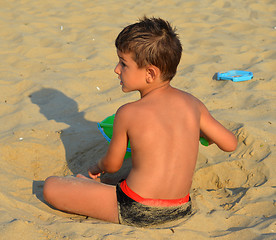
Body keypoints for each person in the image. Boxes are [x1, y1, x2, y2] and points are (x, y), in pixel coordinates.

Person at [43, 17, 237, 227]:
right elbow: (230, 144)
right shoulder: (193, 104)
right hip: (180, 208)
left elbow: (113, 163)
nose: (116, 69)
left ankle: (92, 185)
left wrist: (96, 167)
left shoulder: (128, 113)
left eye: (123, 64)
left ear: (150, 73)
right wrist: (202, 133)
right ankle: (100, 187)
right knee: (135, 169)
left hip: (135, 207)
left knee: (51, 186)